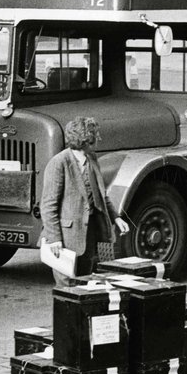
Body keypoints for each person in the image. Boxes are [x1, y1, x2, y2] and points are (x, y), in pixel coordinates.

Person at [40, 117, 129, 285]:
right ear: (86, 140)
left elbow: (101, 196)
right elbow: (48, 206)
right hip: (64, 239)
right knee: (66, 287)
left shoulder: (91, 159)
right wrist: (54, 239)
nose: (98, 138)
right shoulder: (59, 163)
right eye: (95, 135)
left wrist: (116, 218)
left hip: (88, 236)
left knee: (84, 285)